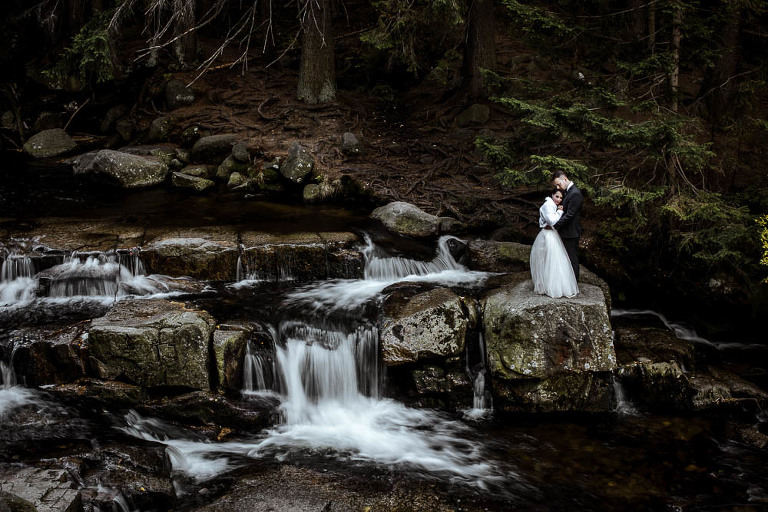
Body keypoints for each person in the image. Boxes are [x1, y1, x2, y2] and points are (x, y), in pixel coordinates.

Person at [530, 188, 579, 298]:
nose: (558, 199)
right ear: (552, 195)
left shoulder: (552, 205)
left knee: (554, 260)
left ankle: (552, 285)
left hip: (552, 234)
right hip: (547, 235)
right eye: (557, 196)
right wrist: (560, 212)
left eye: (561, 198)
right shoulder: (548, 205)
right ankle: (547, 286)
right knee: (549, 260)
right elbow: (551, 221)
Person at [552, 170, 583, 281]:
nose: (558, 187)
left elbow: (570, 214)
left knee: (572, 259)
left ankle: (574, 284)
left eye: (558, 184)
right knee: (567, 259)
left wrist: (555, 225)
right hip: (566, 231)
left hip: (572, 232)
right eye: (556, 186)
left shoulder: (575, 193)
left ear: (565, 179)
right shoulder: (569, 192)